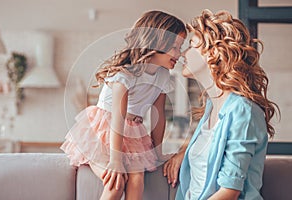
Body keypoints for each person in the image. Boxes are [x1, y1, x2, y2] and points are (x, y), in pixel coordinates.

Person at [61, 10, 187, 200]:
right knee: (116, 181)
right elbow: (117, 119)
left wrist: (158, 152)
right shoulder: (125, 74)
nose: (179, 53)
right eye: (175, 47)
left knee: (137, 181)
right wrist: (115, 160)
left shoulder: (163, 76)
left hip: (133, 132)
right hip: (105, 130)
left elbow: (158, 115)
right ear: (157, 43)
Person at [163, 9, 280, 199]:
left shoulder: (243, 110)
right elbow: (213, 151)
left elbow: (229, 192)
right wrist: (184, 153)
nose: (183, 53)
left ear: (212, 53)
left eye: (191, 45)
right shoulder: (213, 106)